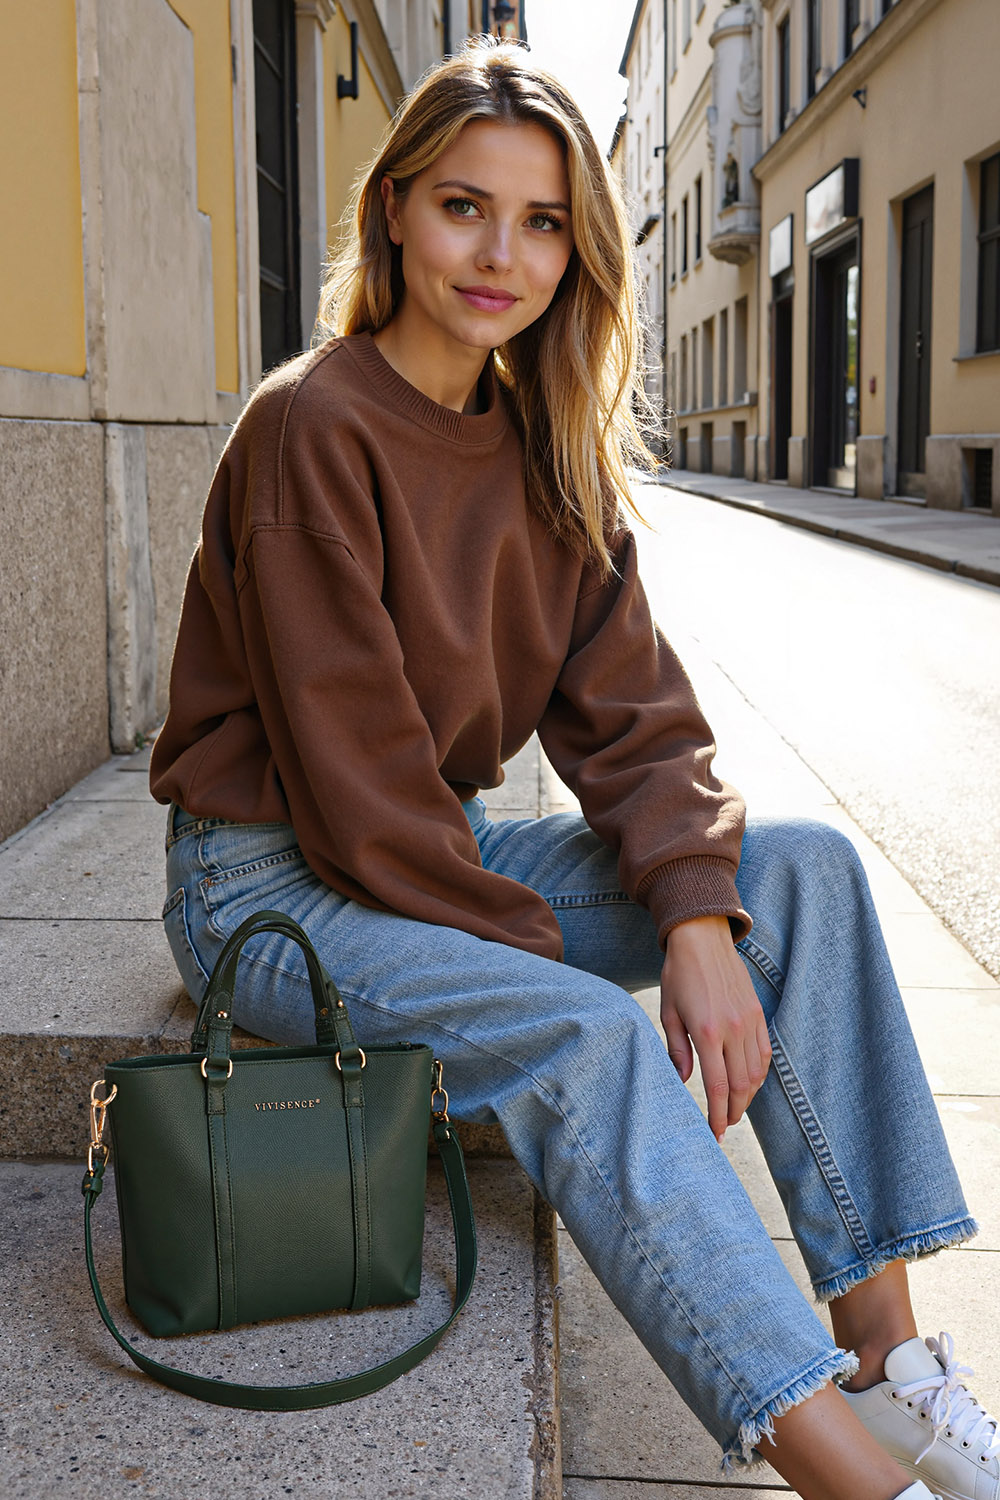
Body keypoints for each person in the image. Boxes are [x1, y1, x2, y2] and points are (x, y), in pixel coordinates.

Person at [149, 37, 996, 1500]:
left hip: (428, 853)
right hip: (269, 885)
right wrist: (589, 968)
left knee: (798, 872)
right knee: (590, 1042)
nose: (503, 253)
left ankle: (892, 1362)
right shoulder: (310, 426)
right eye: (466, 207)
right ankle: (856, 1482)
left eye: (544, 222)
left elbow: (640, 720)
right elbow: (360, 795)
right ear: (395, 212)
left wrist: (694, 915)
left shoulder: (544, 449)